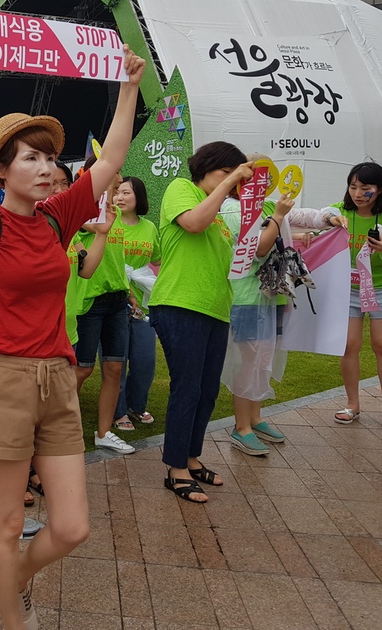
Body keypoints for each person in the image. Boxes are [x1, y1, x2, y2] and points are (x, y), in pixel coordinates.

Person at [0, 23, 144, 630]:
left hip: (59, 380)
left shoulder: (58, 220)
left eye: (47, 158)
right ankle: (15, 618)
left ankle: (16, 580)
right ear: (1, 170)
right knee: (7, 524)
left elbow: (111, 159)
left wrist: (128, 87)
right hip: (2, 378)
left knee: (72, 525)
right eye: (29, 158)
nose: (44, 167)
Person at [149, 142, 253, 504]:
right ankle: (175, 468)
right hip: (179, 306)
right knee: (187, 389)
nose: (232, 182)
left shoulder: (221, 216)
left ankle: (192, 459)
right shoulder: (181, 189)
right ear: (207, 169)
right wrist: (230, 183)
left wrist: (280, 213)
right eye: (226, 173)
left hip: (215, 311)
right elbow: (192, 223)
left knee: (207, 392)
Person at [221, 183, 294, 456]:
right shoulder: (232, 209)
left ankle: (255, 418)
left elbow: (298, 219)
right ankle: (241, 428)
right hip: (246, 297)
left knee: (263, 359)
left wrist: (326, 219)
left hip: (269, 296)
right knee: (248, 361)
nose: (261, 185)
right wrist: (278, 216)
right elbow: (258, 249)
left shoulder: (266, 206)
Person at [72, 155, 134, 455]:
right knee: (81, 370)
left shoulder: (116, 213)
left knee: (113, 368)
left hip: (118, 301)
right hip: (91, 302)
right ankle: (57, 429)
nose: (120, 178)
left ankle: (104, 431)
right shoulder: (85, 210)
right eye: (116, 171)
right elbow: (78, 240)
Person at [325, 161, 382, 429]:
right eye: (353, 186)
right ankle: (352, 404)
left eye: (366, 188)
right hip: (348, 289)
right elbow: (322, 215)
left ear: (380, 190)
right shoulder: (341, 212)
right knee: (349, 345)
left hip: (381, 289)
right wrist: (327, 221)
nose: (358, 193)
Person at [112, 176, 160, 428]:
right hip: (113, 300)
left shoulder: (149, 227)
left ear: (139, 197)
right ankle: (118, 412)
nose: (120, 197)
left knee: (144, 360)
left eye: (126, 193)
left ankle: (136, 406)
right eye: (117, 193)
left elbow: (157, 259)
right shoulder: (109, 222)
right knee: (116, 362)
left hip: (142, 304)